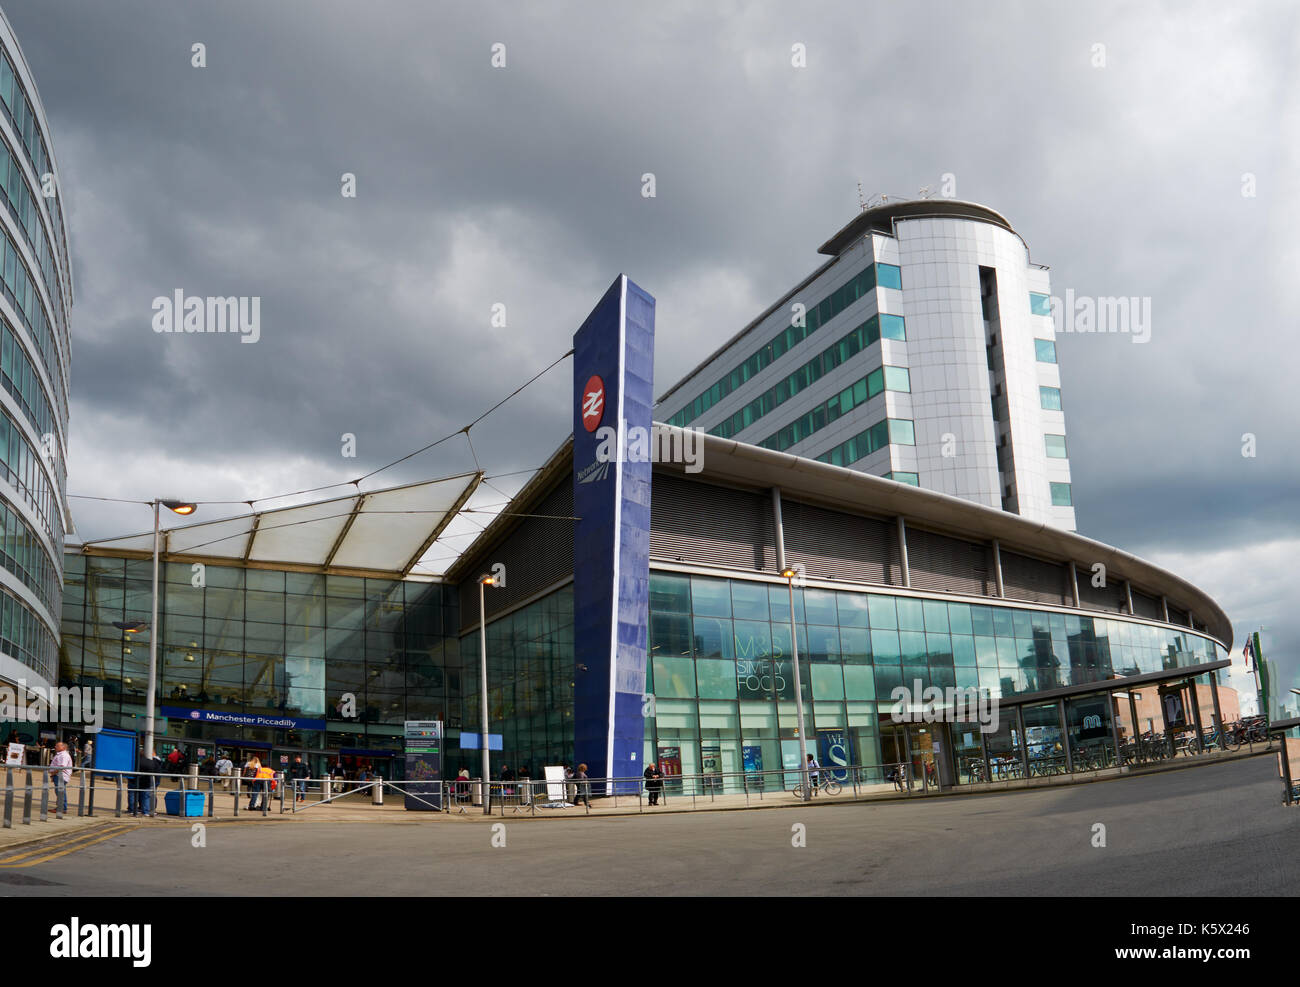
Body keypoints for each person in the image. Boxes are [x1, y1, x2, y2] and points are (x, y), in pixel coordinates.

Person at [50, 741, 72, 814]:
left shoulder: (63, 755)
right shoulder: (61, 754)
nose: (55, 747)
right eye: (56, 745)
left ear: (64, 747)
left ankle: (61, 808)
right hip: (59, 775)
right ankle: (61, 807)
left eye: (57, 746)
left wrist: (53, 773)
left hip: (61, 776)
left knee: (60, 792)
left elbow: (61, 766)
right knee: (60, 791)